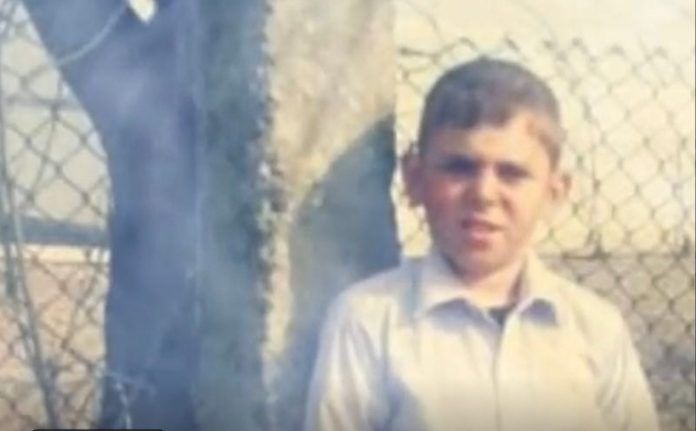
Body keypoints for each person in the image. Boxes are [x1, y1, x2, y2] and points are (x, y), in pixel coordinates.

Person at [303, 57, 660, 431]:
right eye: (460, 168)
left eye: (512, 173)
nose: (484, 194)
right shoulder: (369, 322)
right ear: (415, 178)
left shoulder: (594, 329)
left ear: (554, 192)